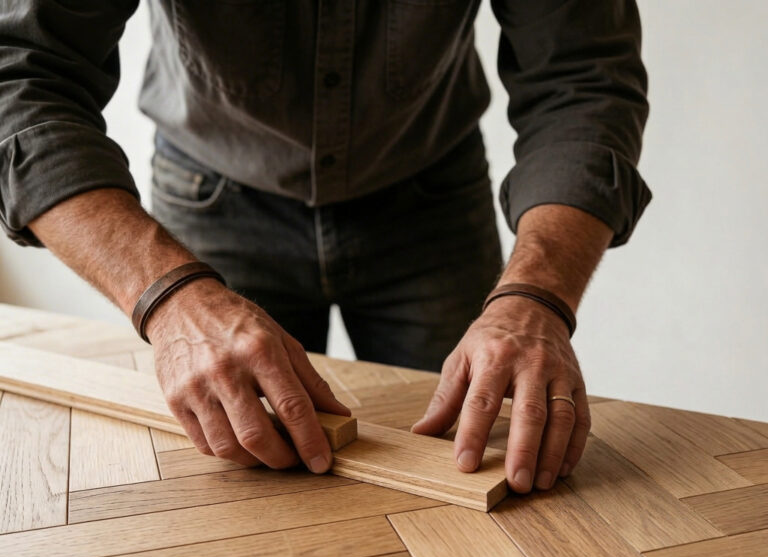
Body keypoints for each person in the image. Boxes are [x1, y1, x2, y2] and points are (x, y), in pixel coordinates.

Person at [0, 1, 650, 492]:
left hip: (432, 198)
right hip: (208, 197)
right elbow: (20, 80)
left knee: (481, 458)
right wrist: (167, 298)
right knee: (227, 484)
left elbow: (584, 76)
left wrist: (537, 296)